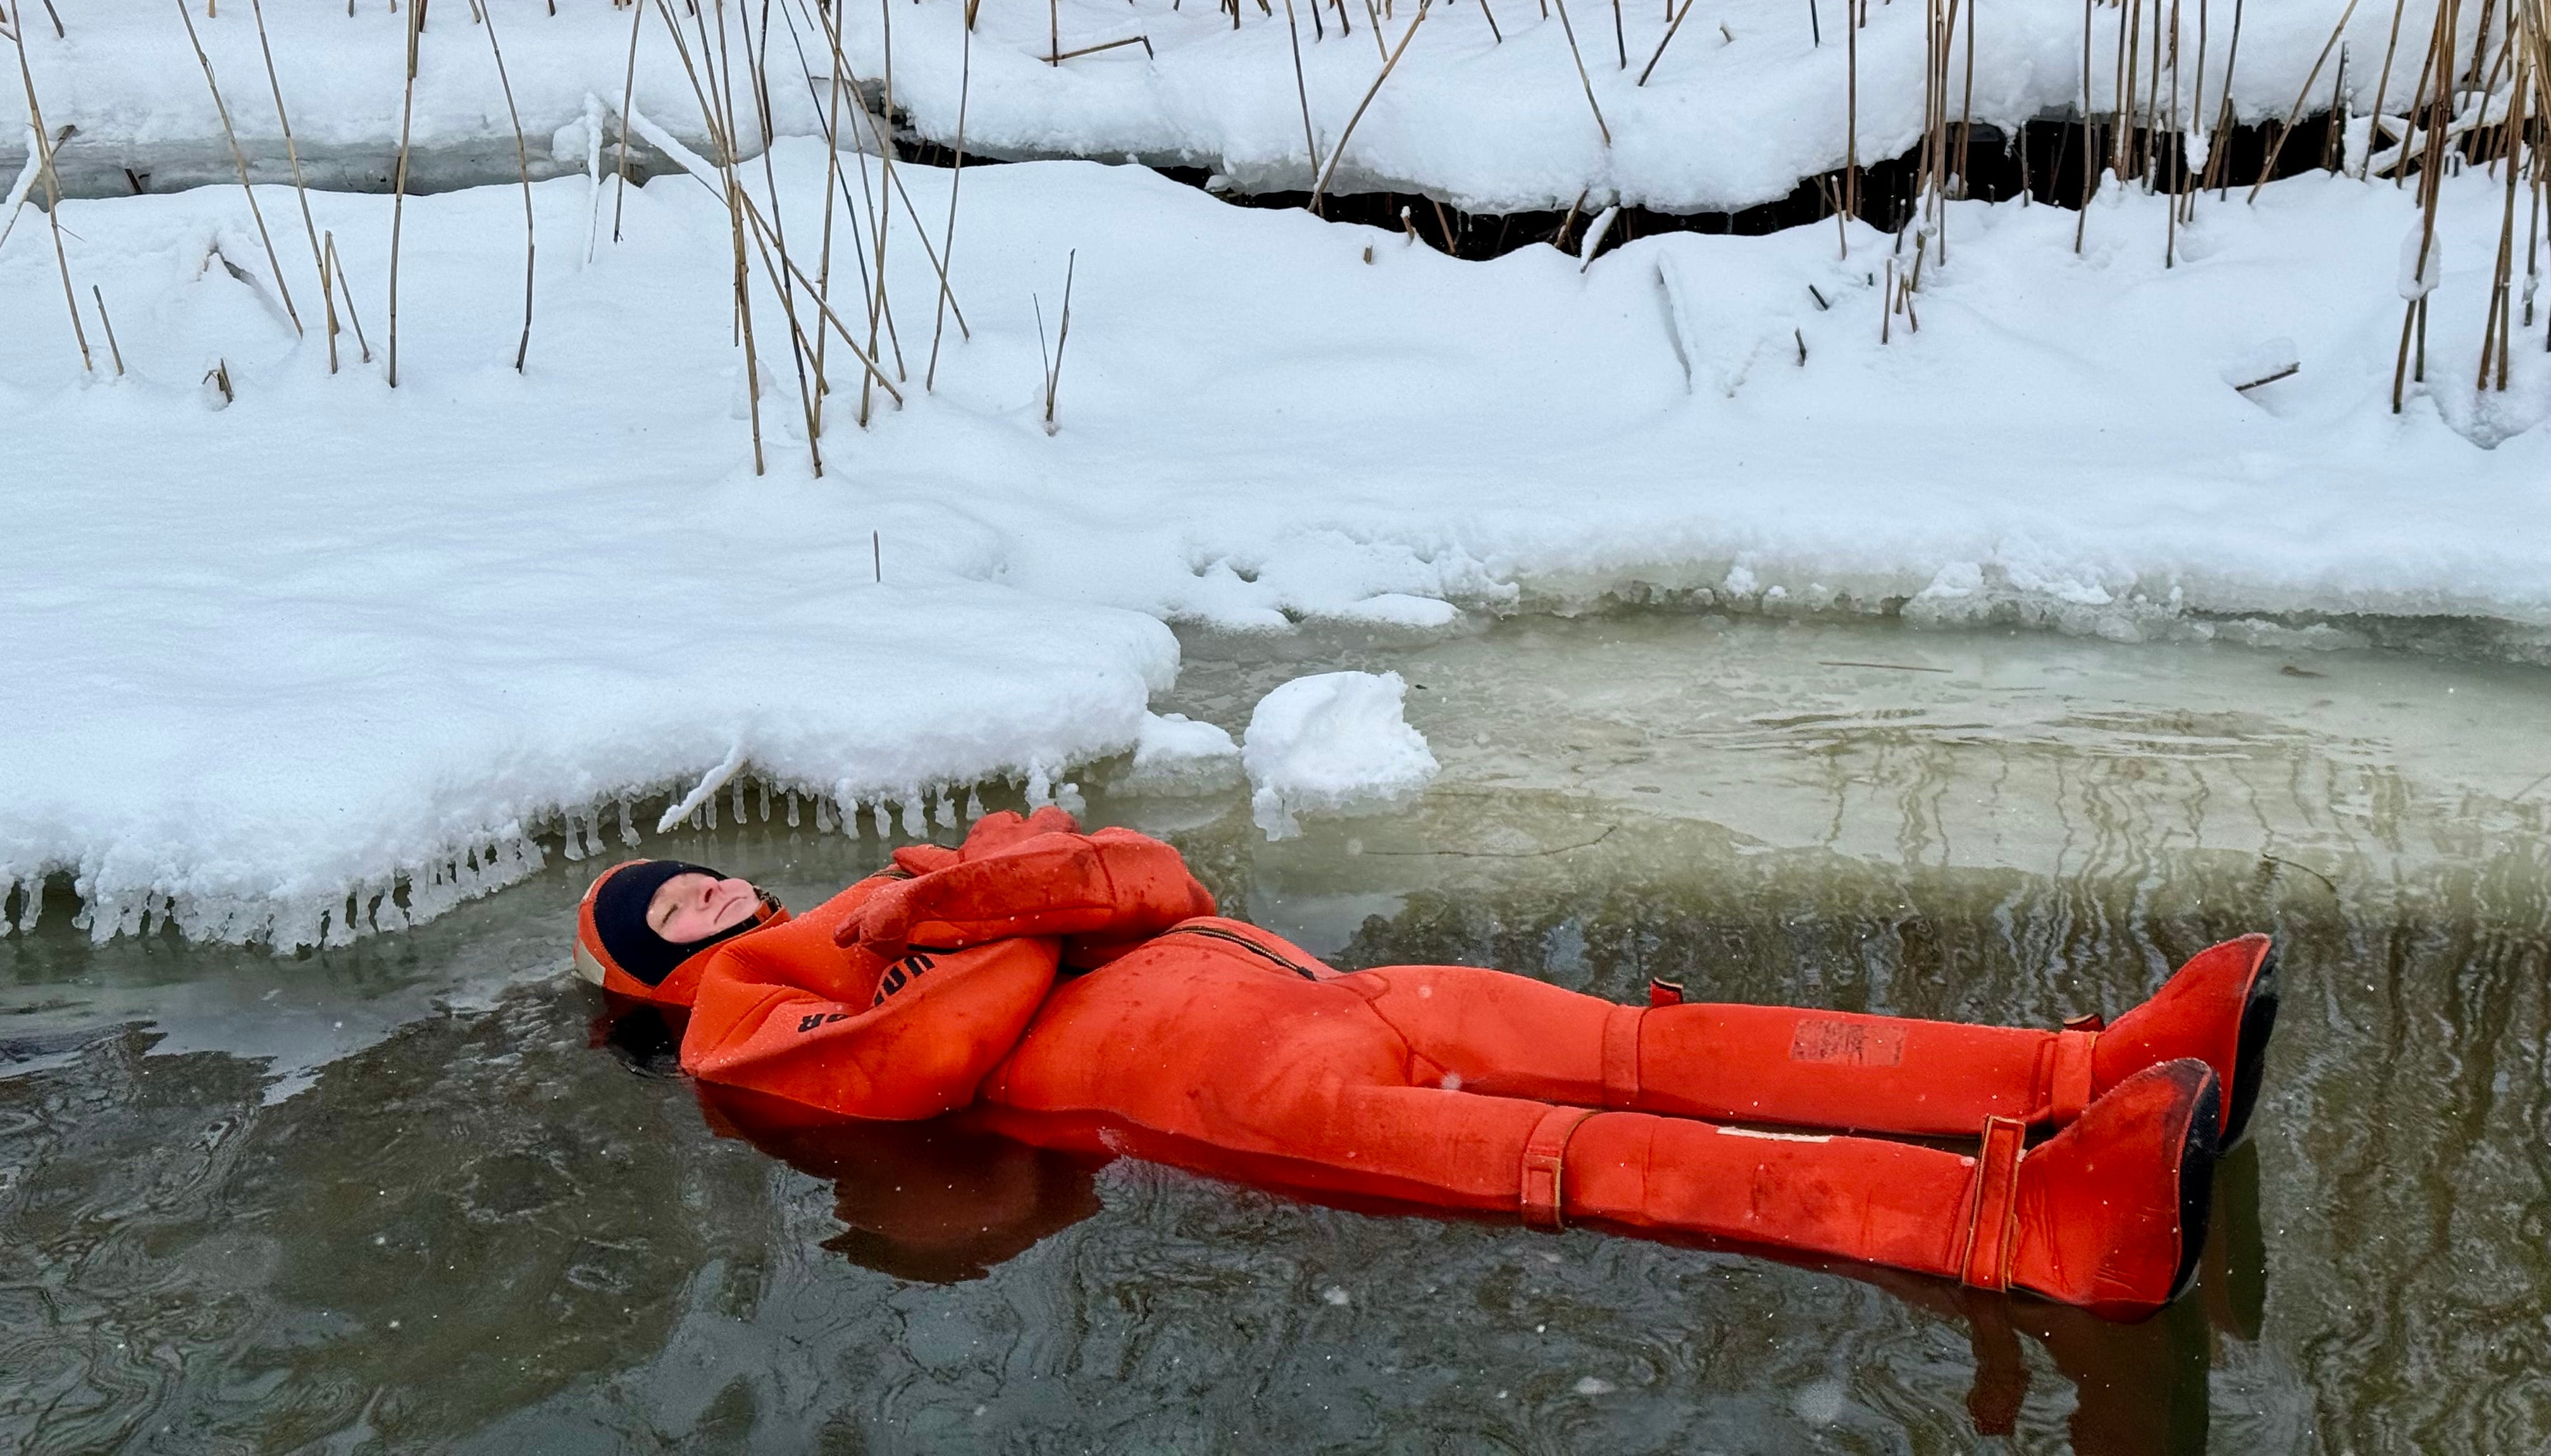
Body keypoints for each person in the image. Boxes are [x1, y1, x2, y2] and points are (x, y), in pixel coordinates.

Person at [574, 806, 2278, 1318]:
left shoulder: (901, 905)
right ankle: (2034, 1228)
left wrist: (998, 888)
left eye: (700, 872)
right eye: (671, 908)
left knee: (1649, 1044)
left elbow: (1163, 881)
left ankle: (2083, 1061)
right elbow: (923, 1060)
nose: (706, 890)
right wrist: (997, 912)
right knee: (1587, 1154)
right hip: (1244, 1097)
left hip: (1328, 990)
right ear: (657, 972)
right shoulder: (751, 1021)